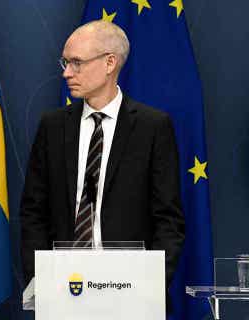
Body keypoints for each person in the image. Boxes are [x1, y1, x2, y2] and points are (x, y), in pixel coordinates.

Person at [20, 20, 184, 289]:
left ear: (110, 63)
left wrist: (151, 285)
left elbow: (168, 220)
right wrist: (40, 280)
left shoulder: (152, 127)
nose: (66, 74)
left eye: (76, 63)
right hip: (63, 286)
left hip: (130, 290)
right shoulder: (53, 126)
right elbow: (33, 212)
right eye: (65, 63)